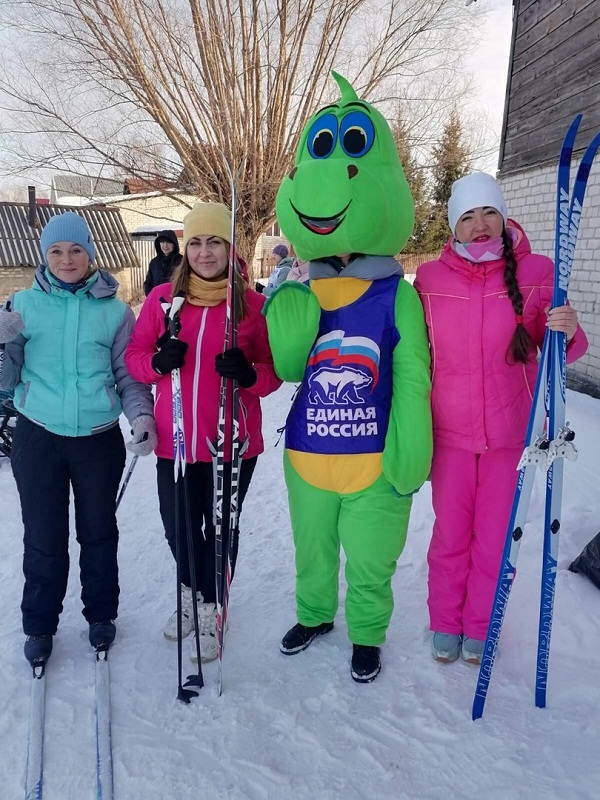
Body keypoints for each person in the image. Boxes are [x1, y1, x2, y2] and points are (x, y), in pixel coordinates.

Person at [264, 72, 432, 683]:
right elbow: (289, 367)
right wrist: (287, 304)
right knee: (312, 549)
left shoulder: (397, 294)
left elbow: (412, 375)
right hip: (309, 451)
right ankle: (314, 615)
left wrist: (411, 446)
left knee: (370, 558)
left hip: (372, 458)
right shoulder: (302, 285)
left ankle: (366, 633)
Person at [414, 172, 588, 665]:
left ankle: (481, 626)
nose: (480, 224)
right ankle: (445, 622)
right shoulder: (429, 280)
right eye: (467, 217)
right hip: (449, 433)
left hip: (512, 435)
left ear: (504, 216)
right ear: (453, 226)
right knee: (450, 537)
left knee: (494, 540)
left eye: (489, 212)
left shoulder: (537, 272)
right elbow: (416, 354)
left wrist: (568, 329)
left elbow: (562, 353)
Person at [125, 201, 281, 662]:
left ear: (230, 248)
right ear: (185, 248)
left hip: (231, 442)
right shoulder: (162, 301)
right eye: (196, 242)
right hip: (175, 441)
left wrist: (249, 374)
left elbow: (274, 371)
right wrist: (158, 362)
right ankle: (191, 593)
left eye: (215, 242)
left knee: (221, 529)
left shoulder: (252, 306)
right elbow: (135, 358)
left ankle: (214, 606)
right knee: (179, 527)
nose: (205, 252)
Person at [0, 212, 157, 666]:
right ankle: (39, 624)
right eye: (56, 251)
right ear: (44, 256)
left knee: (99, 532)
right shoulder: (22, 305)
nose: (66, 259)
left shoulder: (116, 312)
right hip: (38, 437)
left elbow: (128, 376)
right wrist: (2, 342)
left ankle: (101, 615)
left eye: (75, 250)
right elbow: (6, 382)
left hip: (97, 441)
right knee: (43, 537)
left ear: (89, 253)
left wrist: (141, 417)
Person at [143, 230, 182, 296]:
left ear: (174, 244)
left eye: (168, 242)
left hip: (176, 300)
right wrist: (151, 297)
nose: (165, 246)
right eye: (162, 242)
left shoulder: (182, 261)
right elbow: (148, 283)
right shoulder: (154, 263)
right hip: (157, 299)